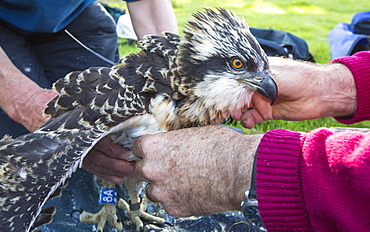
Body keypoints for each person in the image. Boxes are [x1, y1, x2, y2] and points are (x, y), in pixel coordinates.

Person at [84, 51, 370, 232]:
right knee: (115, 165)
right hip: (117, 158)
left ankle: (134, 210)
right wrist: (341, 85)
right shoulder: (142, 101)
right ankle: (110, 205)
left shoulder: (212, 105)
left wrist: (241, 167)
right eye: (237, 65)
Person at [0, 0, 177, 138]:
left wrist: (174, 83)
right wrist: (24, 100)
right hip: (4, 16)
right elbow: (24, 104)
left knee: (101, 122)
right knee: (23, 142)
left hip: (72, 12)